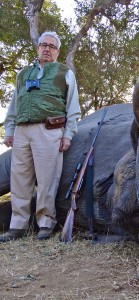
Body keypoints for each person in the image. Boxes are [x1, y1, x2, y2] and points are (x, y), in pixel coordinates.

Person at [0, 31, 81, 242]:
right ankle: (17, 225)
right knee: (19, 179)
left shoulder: (65, 72)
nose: (47, 49)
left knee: (47, 179)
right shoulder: (22, 74)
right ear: (37, 48)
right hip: (22, 131)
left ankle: (46, 222)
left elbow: (73, 107)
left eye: (51, 46)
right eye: (43, 45)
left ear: (57, 51)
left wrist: (68, 134)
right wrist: (10, 130)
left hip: (49, 131)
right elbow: (14, 105)